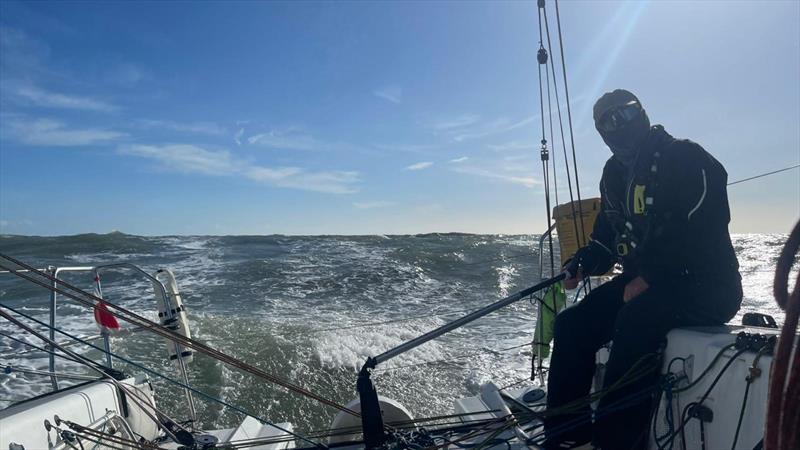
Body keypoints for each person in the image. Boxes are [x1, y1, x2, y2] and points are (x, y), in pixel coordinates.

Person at [543, 89, 743, 449]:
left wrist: (650, 277)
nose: (617, 124)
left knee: (634, 321)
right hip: (642, 283)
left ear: (643, 112)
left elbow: (700, 227)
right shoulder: (613, 175)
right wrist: (583, 263)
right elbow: (606, 240)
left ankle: (615, 443)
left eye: (625, 113)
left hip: (707, 286)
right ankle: (567, 437)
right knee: (571, 324)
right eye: (606, 120)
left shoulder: (685, 156)